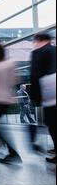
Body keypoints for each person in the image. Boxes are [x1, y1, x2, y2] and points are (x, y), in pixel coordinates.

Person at [30, 33, 56, 164]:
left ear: (39, 41)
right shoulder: (54, 50)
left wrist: (35, 97)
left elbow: (35, 75)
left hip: (50, 91)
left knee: (52, 123)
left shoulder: (38, 53)